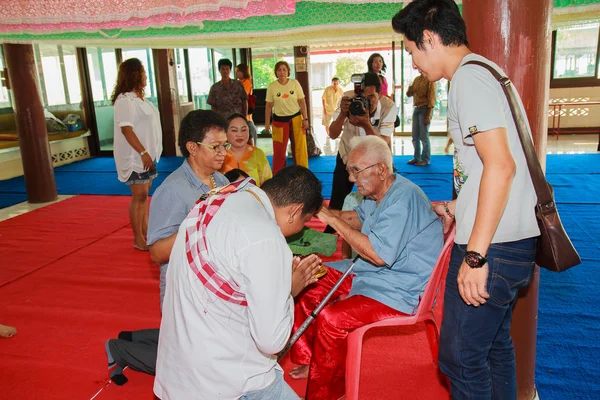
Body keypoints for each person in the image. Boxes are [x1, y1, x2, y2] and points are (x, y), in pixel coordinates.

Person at [392, 1, 540, 399]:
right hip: (512, 238)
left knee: (459, 359)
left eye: (410, 52)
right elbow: (490, 168)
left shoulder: (469, 80)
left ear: (428, 38)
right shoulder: (487, 71)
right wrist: (459, 206)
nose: (414, 64)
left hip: (492, 246)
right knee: (492, 348)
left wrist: (475, 256)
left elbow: (501, 167)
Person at [289, 136, 443, 400]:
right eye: (349, 171)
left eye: (356, 171)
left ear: (381, 169)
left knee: (332, 320)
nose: (351, 179)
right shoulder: (378, 193)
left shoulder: (402, 199)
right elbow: (357, 219)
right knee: (308, 279)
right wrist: (315, 211)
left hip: (400, 287)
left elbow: (377, 255)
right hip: (373, 273)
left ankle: (330, 390)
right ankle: (315, 361)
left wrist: (328, 218)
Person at [154, 166, 325, 400]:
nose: (299, 230)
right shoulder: (266, 237)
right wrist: (289, 290)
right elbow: (271, 341)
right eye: (304, 222)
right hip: (227, 380)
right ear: (295, 211)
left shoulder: (221, 199)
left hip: (178, 367)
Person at [104, 110, 231, 386]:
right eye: (216, 146)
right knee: (193, 365)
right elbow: (157, 253)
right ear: (192, 148)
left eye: (225, 146)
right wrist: (197, 224)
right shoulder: (173, 190)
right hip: (184, 288)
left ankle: (136, 338)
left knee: (211, 343)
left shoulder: (221, 182)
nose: (223, 152)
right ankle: (119, 349)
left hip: (213, 284)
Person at [324, 72, 397, 233]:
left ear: (381, 93)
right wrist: (343, 114)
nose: (365, 102)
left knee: (382, 197)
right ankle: (331, 231)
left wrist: (366, 125)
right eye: (362, 96)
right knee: (337, 198)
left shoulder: (389, 106)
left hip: (376, 160)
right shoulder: (349, 99)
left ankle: (383, 228)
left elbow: (383, 144)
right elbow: (333, 134)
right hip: (347, 156)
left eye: (371, 97)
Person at [111, 58, 162, 251]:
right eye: (143, 72)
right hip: (135, 156)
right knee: (139, 195)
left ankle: (146, 231)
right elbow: (126, 130)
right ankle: (138, 237)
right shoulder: (125, 100)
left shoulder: (141, 99)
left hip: (147, 155)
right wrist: (142, 152)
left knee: (144, 194)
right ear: (134, 74)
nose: (145, 75)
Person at [264, 60, 309, 173]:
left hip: (296, 119)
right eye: (279, 70)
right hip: (279, 121)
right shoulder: (272, 86)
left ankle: (302, 172)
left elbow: (302, 102)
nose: (282, 72)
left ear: (288, 71)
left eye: (284, 69)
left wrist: (306, 118)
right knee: (279, 151)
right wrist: (267, 125)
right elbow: (268, 106)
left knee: (300, 149)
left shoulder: (295, 83)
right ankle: (279, 175)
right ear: (276, 72)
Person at [220, 113, 273, 186]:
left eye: (243, 130)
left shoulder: (257, 153)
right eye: (234, 130)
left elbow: (268, 184)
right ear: (225, 132)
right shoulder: (220, 154)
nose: (240, 134)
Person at [406, 72, 436, 166]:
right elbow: (409, 94)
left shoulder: (430, 80)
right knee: (415, 136)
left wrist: (428, 115)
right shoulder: (417, 79)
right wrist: (410, 89)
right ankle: (416, 157)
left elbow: (432, 98)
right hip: (417, 108)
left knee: (424, 136)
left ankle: (426, 159)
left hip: (425, 109)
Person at [236, 63, 258, 145]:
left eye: (238, 71)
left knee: (250, 128)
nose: (236, 73)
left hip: (246, 111)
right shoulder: (238, 82)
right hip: (241, 111)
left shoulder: (246, 82)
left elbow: (243, 95)